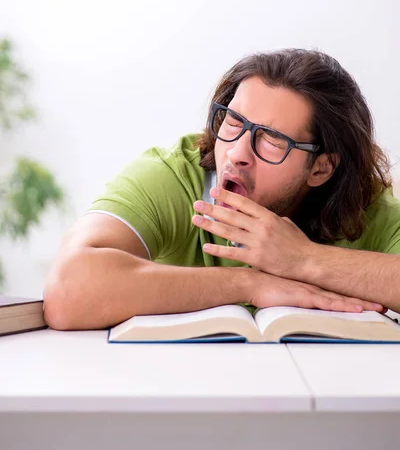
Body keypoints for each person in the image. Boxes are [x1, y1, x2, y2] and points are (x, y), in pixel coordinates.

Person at [44, 49, 400, 330]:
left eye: (273, 140)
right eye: (233, 122)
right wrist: (247, 284)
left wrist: (302, 259)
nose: (237, 152)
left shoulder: (364, 205)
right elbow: (67, 290)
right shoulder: (174, 175)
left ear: (321, 168)